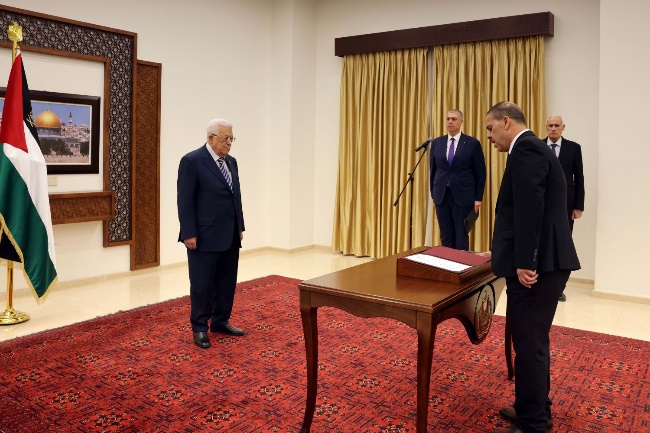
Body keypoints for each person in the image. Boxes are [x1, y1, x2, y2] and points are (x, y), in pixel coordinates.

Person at [485, 102, 580, 433]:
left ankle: (533, 423)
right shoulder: (535, 148)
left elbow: (530, 207)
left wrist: (526, 261)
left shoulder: (525, 147)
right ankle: (534, 406)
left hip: (538, 268)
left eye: (490, 128)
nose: (489, 136)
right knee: (533, 342)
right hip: (545, 262)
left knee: (529, 345)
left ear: (506, 122)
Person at [177, 118, 246, 349]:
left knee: (227, 282)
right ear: (211, 138)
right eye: (225, 138)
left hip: (230, 234)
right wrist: (188, 233)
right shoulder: (192, 161)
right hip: (203, 236)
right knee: (202, 285)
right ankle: (199, 327)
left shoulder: (232, 162)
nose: (229, 143)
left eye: (231, 138)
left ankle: (220, 321)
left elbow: (235, 196)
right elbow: (185, 201)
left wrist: (240, 226)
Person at [429, 109, 486, 250]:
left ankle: (460, 268)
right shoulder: (437, 143)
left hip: (463, 195)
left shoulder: (472, 143)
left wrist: (478, 198)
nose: (450, 122)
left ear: (461, 122)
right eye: (448, 119)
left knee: (461, 235)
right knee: (445, 234)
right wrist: (433, 193)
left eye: (454, 119)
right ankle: (447, 267)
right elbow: (433, 170)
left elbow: (480, 172)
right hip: (442, 195)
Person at [545, 115, 585, 302]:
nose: (553, 128)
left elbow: (579, 178)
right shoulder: (537, 146)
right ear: (546, 127)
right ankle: (542, 281)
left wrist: (578, 206)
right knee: (543, 243)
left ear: (563, 127)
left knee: (563, 244)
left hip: (566, 206)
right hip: (542, 205)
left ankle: (559, 287)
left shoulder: (574, 148)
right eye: (550, 125)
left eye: (557, 125)